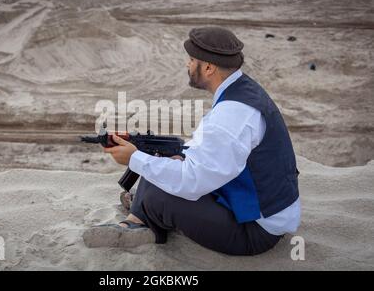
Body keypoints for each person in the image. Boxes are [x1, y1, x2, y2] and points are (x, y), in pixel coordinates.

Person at [83, 26, 301, 255]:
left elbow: (192, 181)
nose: (187, 65)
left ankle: (141, 224)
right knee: (165, 163)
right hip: (259, 205)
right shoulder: (243, 91)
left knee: (160, 189)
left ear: (208, 67)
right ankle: (139, 214)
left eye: (191, 59)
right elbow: (209, 155)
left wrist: (134, 158)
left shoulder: (231, 115)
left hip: (255, 230)